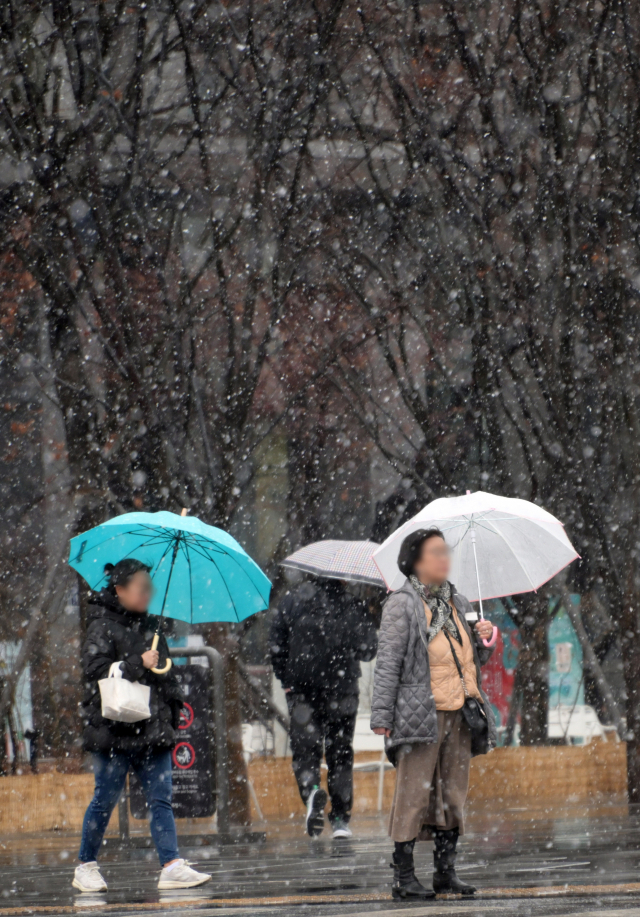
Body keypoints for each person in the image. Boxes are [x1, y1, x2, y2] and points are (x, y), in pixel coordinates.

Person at [371, 528, 497, 900]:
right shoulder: (403, 604)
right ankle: (404, 877)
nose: (445, 559)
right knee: (413, 795)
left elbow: (470, 660)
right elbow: (388, 663)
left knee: (452, 795)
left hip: (460, 711)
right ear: (415, 561)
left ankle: (446, 872)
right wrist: (382, 714)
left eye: (446, 552)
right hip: (420, 713)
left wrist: (484, 638)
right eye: (436, 552)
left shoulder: (456, 599)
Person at [73, 559, 211, 894]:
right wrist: (136, 663)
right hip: (114, 730)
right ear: (119, 590)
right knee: (104, 799)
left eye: (150, 586)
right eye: (140, 586)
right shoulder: (101, 625)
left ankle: (171, 864)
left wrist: (173, 702)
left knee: (161, 799)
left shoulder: (153, 628)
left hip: (152, 728)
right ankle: (85, 865)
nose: (147, 592)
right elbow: (93, 670)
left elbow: (164, 674)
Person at [270, 577, 378, 839]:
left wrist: (288, 681)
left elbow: (276, 645)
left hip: (302, 692)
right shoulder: (353, 604)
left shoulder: (291, 601)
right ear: (342, 576)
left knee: (306, 751)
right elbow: (368, 651)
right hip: (342, 691)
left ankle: (311, 793)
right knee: (340, 754)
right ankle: (340, 819)